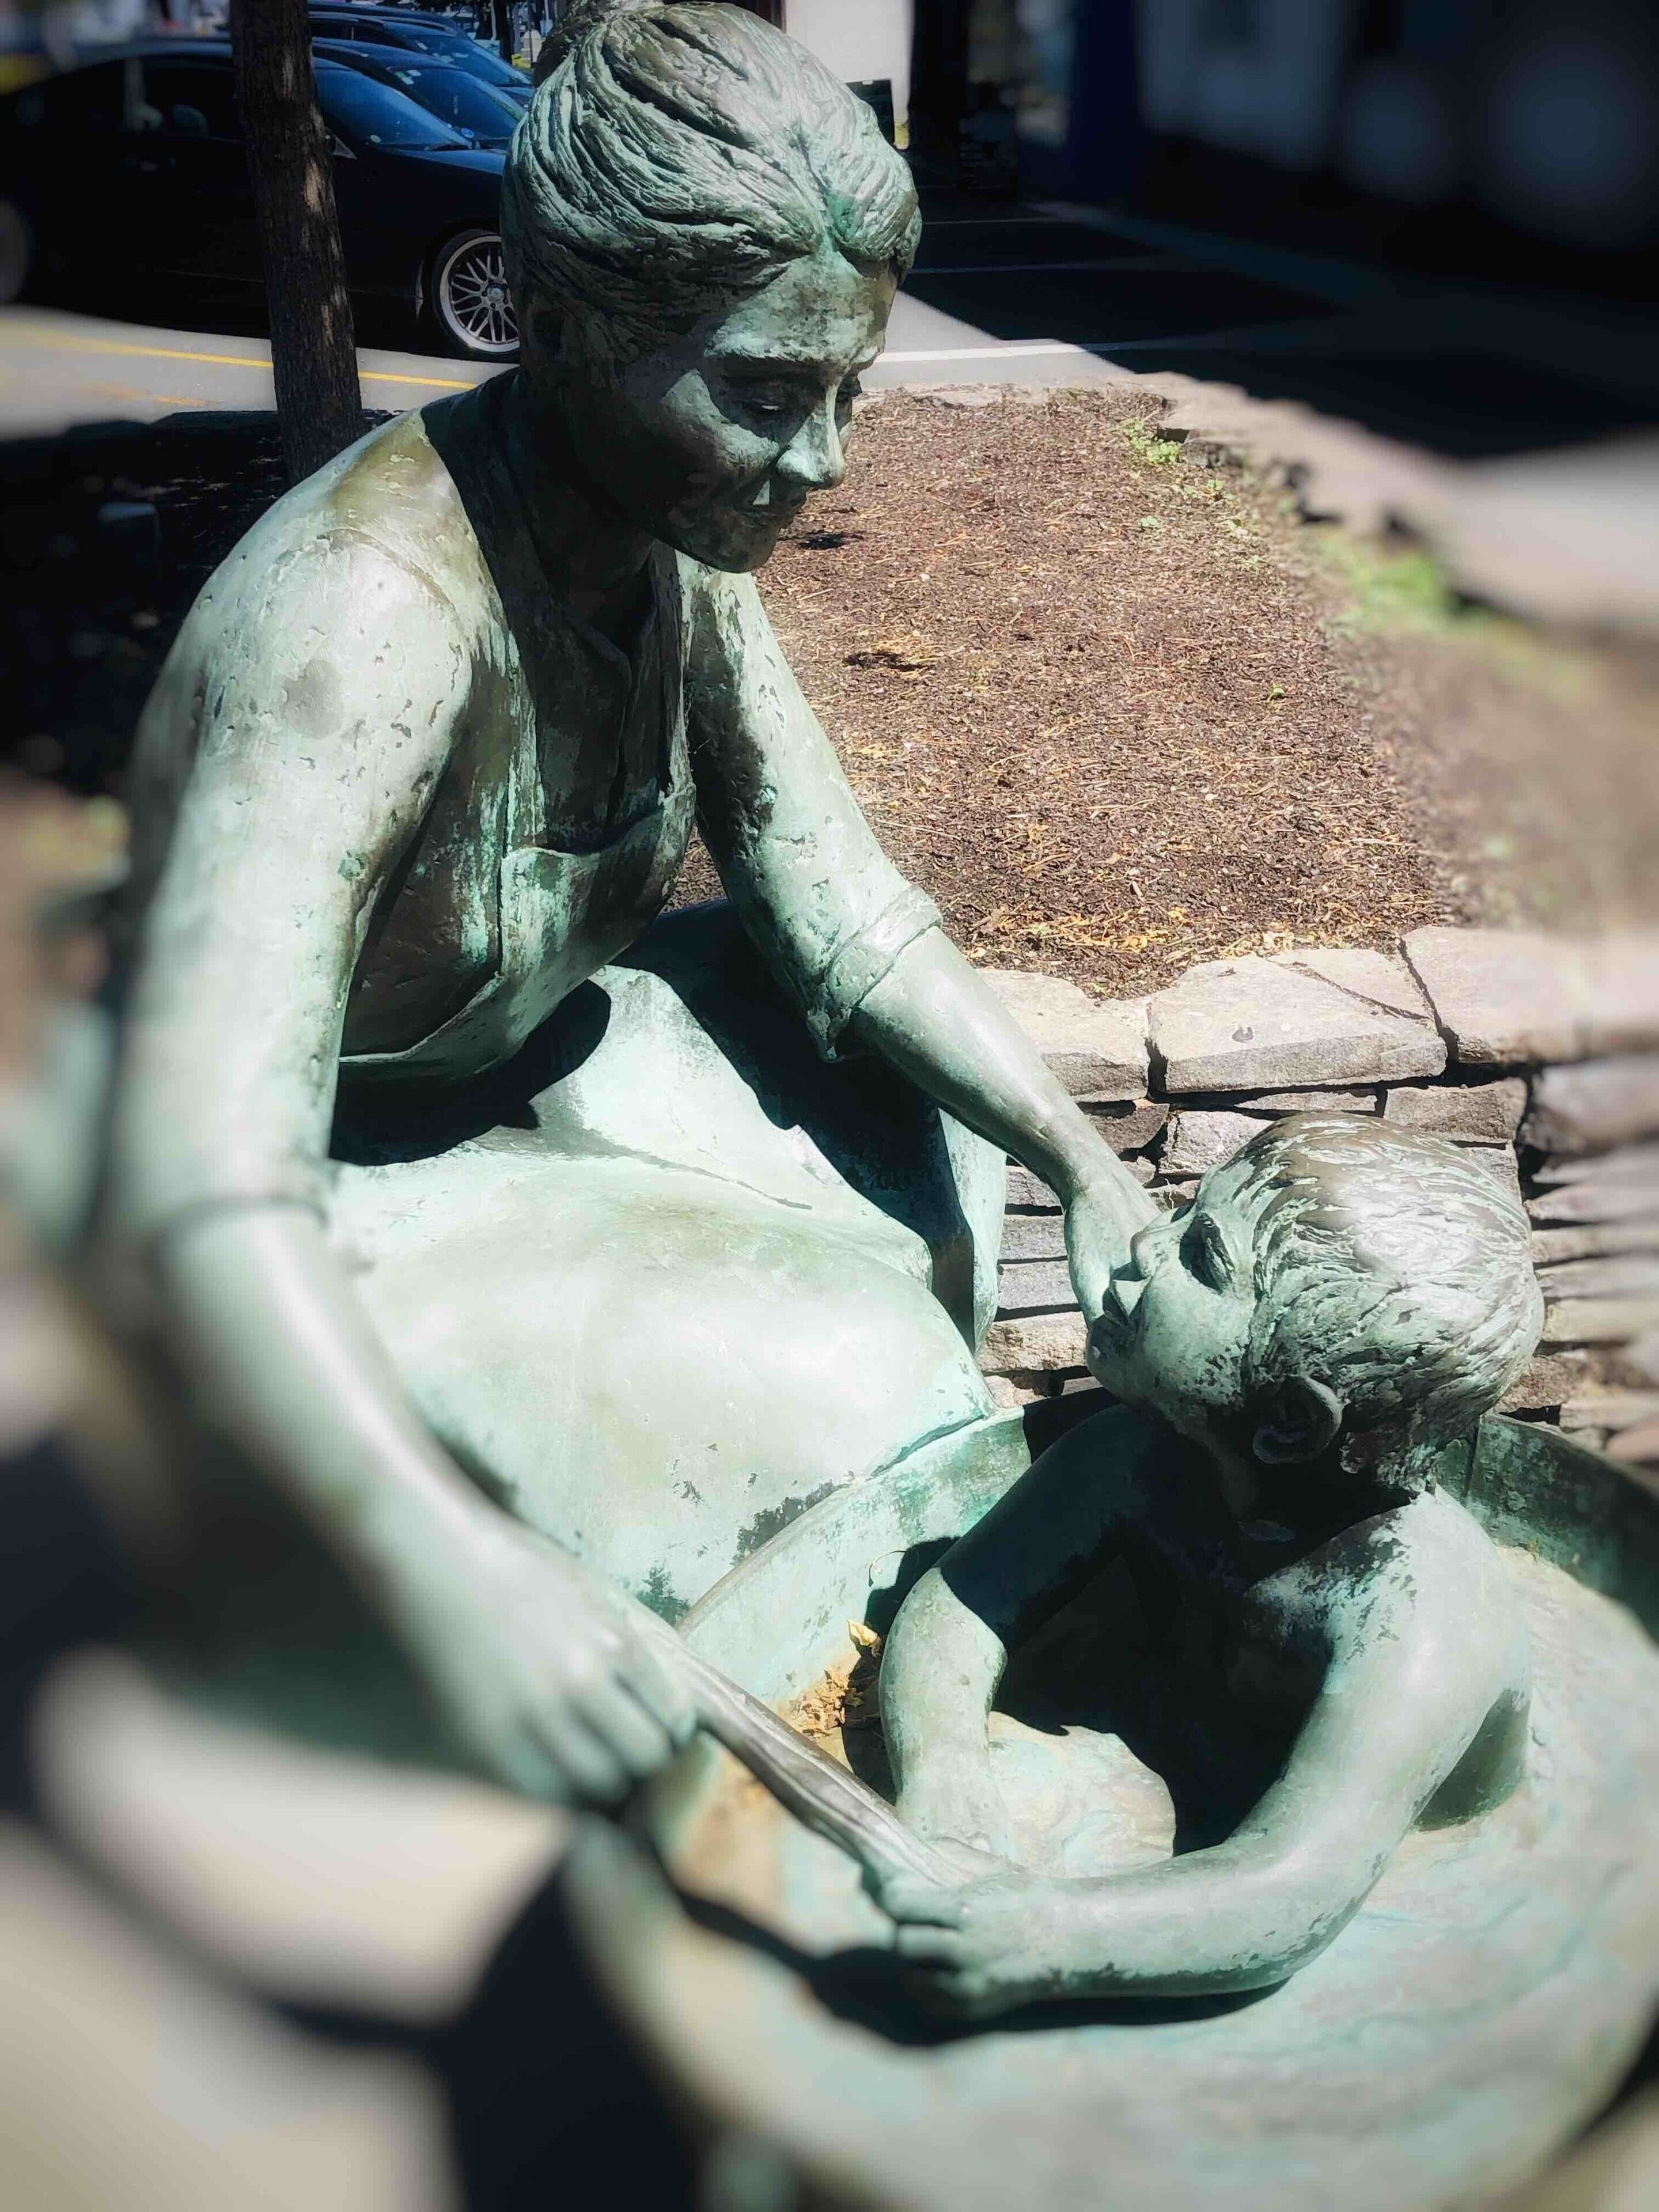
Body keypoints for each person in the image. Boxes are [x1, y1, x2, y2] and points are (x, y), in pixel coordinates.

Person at [111, 0, 1154, 1817]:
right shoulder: (361, 626)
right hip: (322, 1194)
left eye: (849, 389)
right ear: (570, 321)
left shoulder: (663, 531)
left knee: (946, 1178)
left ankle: (798, 1544)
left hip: (554, 1068)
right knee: (856, 1376)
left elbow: (833, 893)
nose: (824, 459)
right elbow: (202, 1180)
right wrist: (454, 1577)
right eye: (764, 392)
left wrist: (1090, 1161)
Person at [873, 1115, 1544, 2018]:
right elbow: (960, 1604)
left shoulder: (1419, 1616)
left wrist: (1047, 1935)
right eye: (1187, 1207)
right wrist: (944, 1771)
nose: (1148, 1239)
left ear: (1292, 1424)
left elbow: (1290, 1891)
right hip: (1189, 1755)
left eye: (1201, 1258)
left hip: (1428, 1903)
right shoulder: (1137, 1456)